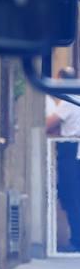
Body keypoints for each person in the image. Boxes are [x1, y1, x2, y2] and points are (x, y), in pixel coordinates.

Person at [46, 70, 80, 252]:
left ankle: (77, 240)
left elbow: (49, 123)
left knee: (71, 196)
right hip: (72, 150)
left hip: (70, 151)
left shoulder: (68, 101)